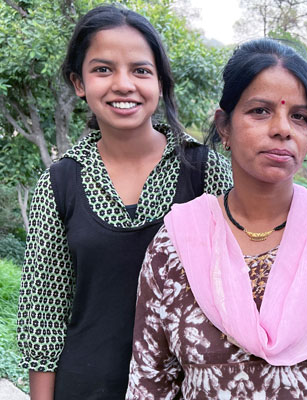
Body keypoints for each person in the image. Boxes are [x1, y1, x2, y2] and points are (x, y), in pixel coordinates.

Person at [126, 38, 307, 399]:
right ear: (224, 126)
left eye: (299, 116)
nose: (283, 128)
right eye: (260, 111)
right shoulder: (176, 245)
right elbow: (150, 381)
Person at [17, 5, 232, 399]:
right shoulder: (61, 182)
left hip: (187, 388)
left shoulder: (205, 173)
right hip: (84, 388)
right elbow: (43, 311)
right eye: (102, 69)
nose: (123, 84)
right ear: (78, 82)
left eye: (140, 70)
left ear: (161, 83)